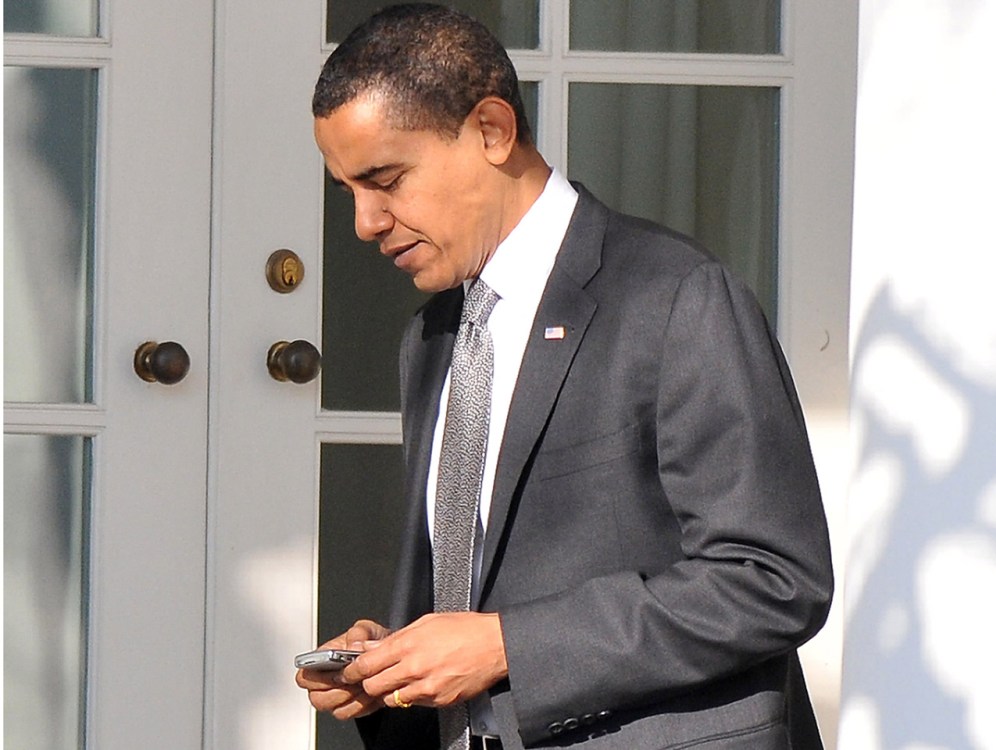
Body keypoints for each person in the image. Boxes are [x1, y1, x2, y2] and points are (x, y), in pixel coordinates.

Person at [296, 4, 834, 749]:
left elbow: (772, 578)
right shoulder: (431, 336)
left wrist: (505, 646)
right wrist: (396, 662)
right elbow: (482, 593)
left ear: (491, 130)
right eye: (347, 190)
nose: (365, 221)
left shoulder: (675, 297)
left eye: (385, 179)